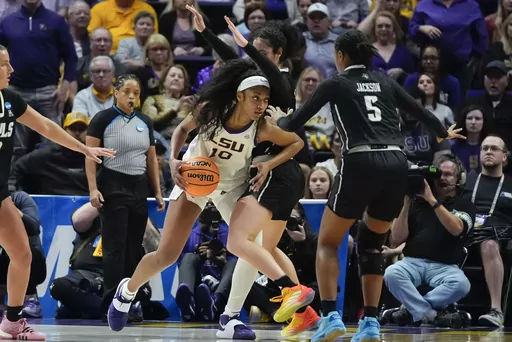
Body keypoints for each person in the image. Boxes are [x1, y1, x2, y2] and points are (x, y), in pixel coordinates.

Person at [266, 29, 464, 342]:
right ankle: (370, 323)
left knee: (329, 242)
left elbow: (294, 123)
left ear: (341, 55)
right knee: (371, 245)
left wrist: (273, 121)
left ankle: (331, 317)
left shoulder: (336, 82)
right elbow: (423, 113)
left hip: (360, 161)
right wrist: (442, 132)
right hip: (397, 163)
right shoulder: (385, 80)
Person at [106, 59, 307, 333]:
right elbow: (182, 130)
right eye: (255, 98)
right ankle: (127, 292)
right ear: (239, 96)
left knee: (250, 247)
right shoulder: (211, 111)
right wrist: (175, 160)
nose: (260, 104)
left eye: (265, 99)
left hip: (232, 185)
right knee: (166, 255)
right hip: (195, 178)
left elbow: (297, 142)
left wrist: (269, 164)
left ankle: (230, 317)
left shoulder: (263, 126)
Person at [187, 6, 321, 338]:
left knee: (242, 242)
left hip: (274, 173)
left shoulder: (281, 85)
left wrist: (245, 45)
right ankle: (303, 312)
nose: (254, 58)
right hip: (278, 175)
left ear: (278, 55)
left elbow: (295, 143)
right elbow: (237, 63)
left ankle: (271, 298)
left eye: (262, 53)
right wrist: (206, 33)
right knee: (266, 248)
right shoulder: (256, 80)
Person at [0, 44, 114, 340]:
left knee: (23, 255)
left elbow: (48, 127)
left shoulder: (9, 101)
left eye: (10, 63)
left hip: (0, 196)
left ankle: (12, 321)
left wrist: (84, 148)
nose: (11, 70)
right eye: (4, 65)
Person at [85, 74, 166, 316]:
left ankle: (132, 300)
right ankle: (110, 302)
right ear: (116, 93)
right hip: (112, 185)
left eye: (136, 93)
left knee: (135, 247)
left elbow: (151, 159)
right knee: (115, 247)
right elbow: (90, 155)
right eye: (127, 92)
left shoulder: (145, 121)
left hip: (138, 187)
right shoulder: (102, 119)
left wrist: (158, 192)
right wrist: (92, 188)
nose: (132, 96)